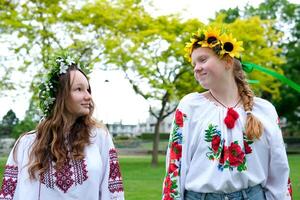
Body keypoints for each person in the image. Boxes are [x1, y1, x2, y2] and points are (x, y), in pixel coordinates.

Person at [162, 26, 293, 200]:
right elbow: (175, 165)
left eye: (202, 60)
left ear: (227, 62)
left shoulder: (264, 110)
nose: (196, 68)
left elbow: (279, 167)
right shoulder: (190, 106)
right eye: (194, 64)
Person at [0, 53, 124, 200]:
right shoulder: (27, 144)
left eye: (88, 89)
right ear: (60, 95)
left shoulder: (98, 137)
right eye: (79, 89)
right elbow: (9, 195)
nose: (88, 96)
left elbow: (112, 191)